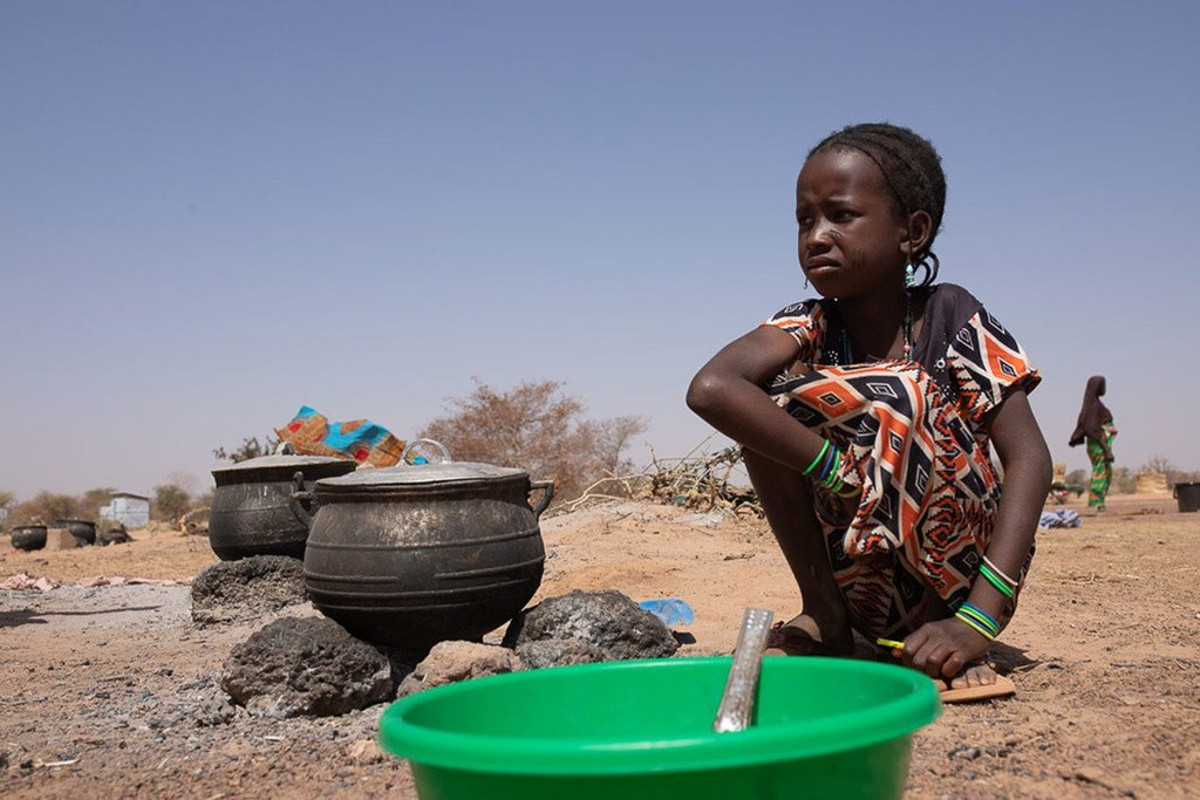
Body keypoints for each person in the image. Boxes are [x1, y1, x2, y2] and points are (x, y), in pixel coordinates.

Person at [686, 122, 1052, 702]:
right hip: (862, 578)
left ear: (913, 232)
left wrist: (981, 616)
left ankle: (947, 633)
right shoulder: (808, 322)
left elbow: (1030, 459)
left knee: (900, 395)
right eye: (805, 220)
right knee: (765, 412)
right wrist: (835, 468)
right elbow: (711, 388)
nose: (816, 236)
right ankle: (827, 617)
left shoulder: (952, 314)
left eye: (841, 215)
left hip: (960, 583)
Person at [1068, 376, 1117, 511]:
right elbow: (1092, 429)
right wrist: (1106, 449)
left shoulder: (1093, 405)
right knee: (1100, 472)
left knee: (1105, 472)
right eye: (1103, 385)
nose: (1105, 389)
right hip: (1099, 447)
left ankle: (1100, 501)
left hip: (1099, 446)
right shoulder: (1095, 407)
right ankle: (1098, 502)